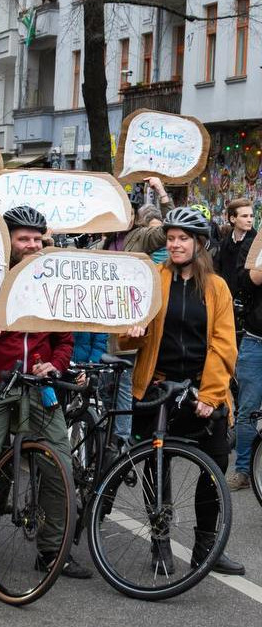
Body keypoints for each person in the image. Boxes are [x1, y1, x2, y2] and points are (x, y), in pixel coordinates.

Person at [0, 205, 91, 579]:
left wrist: (55, 365)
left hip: (40, 388)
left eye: (37, 238)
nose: (32, 244)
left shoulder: (52, 281)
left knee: (58, 468)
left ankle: (52, 552)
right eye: (24, 238)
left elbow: (65, 341)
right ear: (9, 242)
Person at [120, 206, 244, 575]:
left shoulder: (216, 286)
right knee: (157, 468)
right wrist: (132, 332)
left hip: (203, 389)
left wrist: (210, 396)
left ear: (199, 244)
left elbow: (224, 344)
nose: (174, 245)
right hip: (157, 386)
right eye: (171, 238)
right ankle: (160, 543)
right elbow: (124, 332)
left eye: (182, 239)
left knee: (215, 466)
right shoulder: (153, 279)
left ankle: (207, 548)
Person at [226, 226, 262, 492]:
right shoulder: (256, 241)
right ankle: (243, 470)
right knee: (248, 410)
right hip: (255, 339)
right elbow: (245, 280)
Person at [216, 198, 256, 299]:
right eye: (244, 216)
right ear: (233, 219)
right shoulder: (224, 244)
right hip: (226, 299)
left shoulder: (257, 244)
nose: (250, 219)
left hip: (250, 305)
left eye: (251, 216)